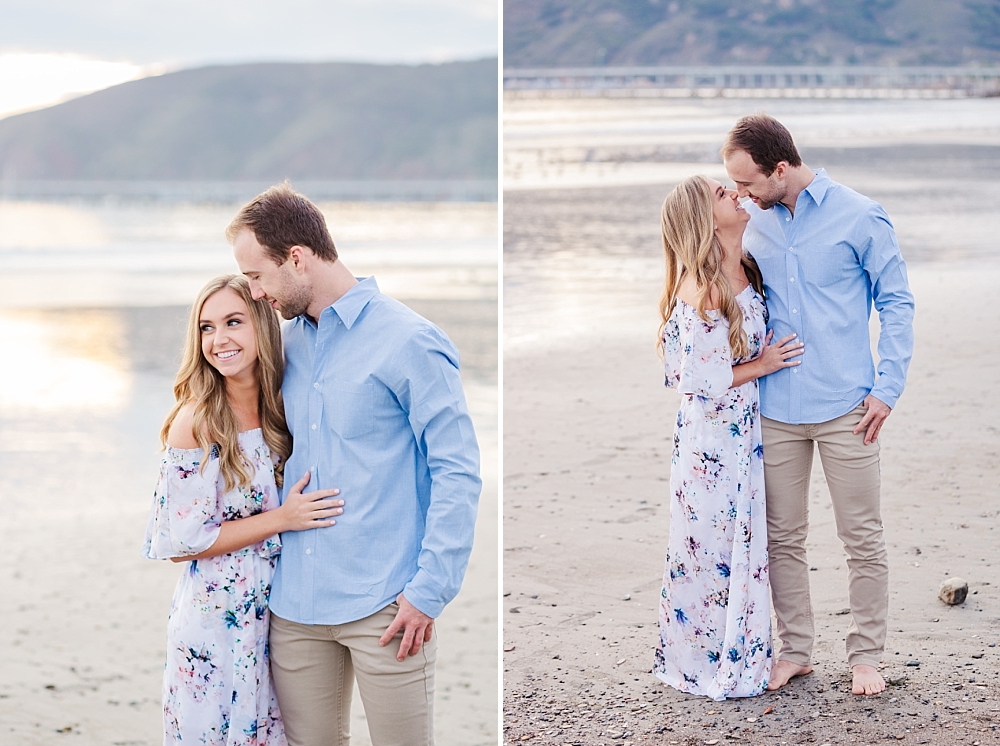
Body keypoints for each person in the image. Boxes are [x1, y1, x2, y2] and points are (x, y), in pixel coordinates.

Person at [227, 184, 481, 746]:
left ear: (297, 257)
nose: (255, 293)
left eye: (257, 276)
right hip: (295, 606)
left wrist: (429, 590)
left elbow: (457, 470)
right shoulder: (286, 346)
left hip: (387, 604)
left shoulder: (408, 339)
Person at [722, 112, 915, 696]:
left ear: (780, 168)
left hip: (847, 406)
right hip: (775, 409)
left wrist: (888, 388)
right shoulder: (751, 224)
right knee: (781, 537)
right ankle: (796, 651)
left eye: (749, 183)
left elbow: (897, 302)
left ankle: (866, 657)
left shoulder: (861, 215)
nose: (742, 195)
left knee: (861, 535)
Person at [142, 274, 344, 745]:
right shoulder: (198, 422)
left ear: (261, 325)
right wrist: (282, 519)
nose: (219, 339)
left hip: (281, 615)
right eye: (206, 328)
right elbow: (182, 542)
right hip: (215, 622)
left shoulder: (283, 406)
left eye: (233, 322)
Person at [653, 175, 804, 701]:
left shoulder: (746, 266)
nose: (734, 195)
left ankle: (743, 650)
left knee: (741, 542)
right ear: (705, 220)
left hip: (742, 434)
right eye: (722, 194)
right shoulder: (706, 286)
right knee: (716, 545)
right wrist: (762, 363)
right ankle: (710, 662)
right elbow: (693, 378)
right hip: (711, 441)